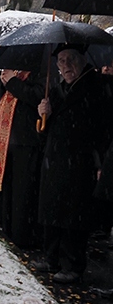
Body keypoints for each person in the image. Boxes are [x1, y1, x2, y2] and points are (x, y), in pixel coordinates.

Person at [34, 44, 113, 283]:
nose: (66, 66)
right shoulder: (58, 89)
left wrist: (101, 163)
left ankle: (73, 264)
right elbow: (43, 133)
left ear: (81, 61)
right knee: (52, 211)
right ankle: (52, 257)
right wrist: (43, 113)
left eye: (70, 60)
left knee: (73, 216)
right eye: (61, 61)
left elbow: (105, 129)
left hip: (80, 161)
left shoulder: (97, 86)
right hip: (55, 159)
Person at [0, 68, 47, 249]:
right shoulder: (14, 71)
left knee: (22, 192)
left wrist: (13, 83)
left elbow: (36, 96)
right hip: (7, 140)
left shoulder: (43, 70)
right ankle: (6, 228)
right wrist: (5, 84)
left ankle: (22, 235)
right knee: (7, 188)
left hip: (26, 140)